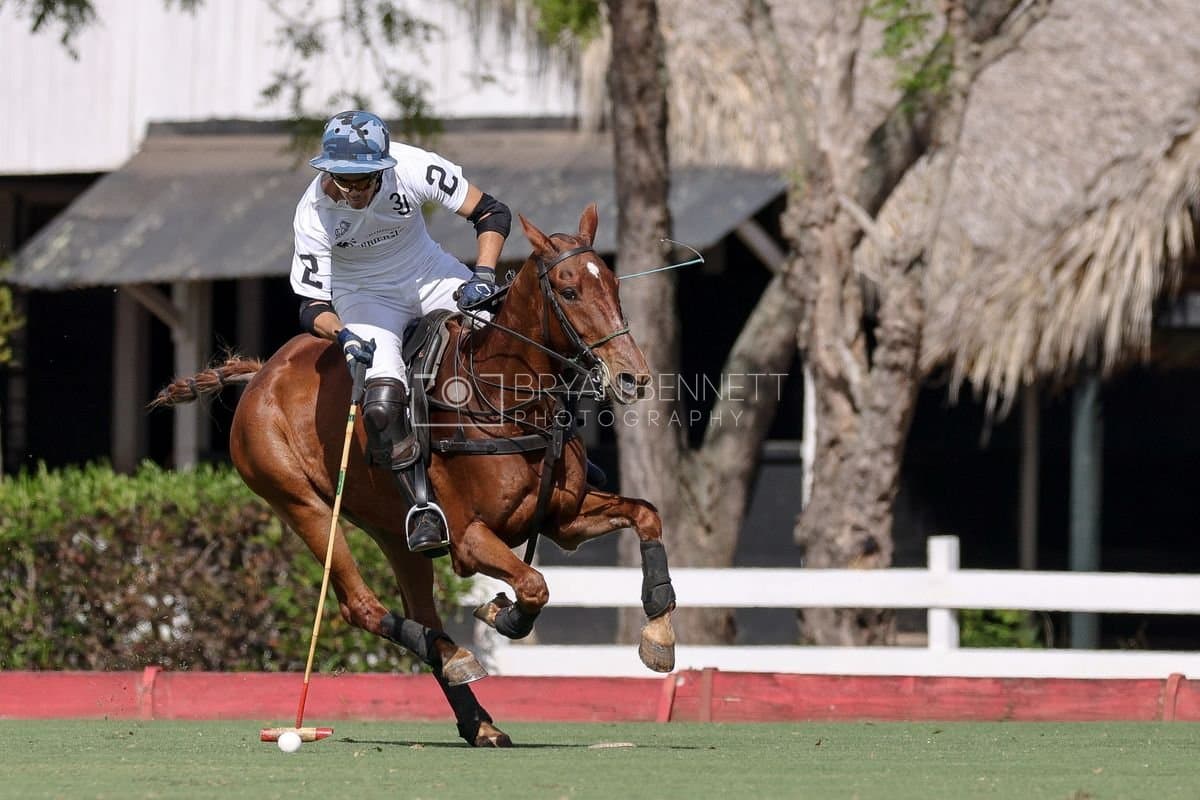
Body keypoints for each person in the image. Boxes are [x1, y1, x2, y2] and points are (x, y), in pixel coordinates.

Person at [290, 110, 510, 553]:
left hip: (429, 273)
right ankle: (422, 508)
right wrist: (342, 334)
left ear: (384, 168)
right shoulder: (312, 213)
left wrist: (484, 276)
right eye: (342, 180)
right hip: (365, 298)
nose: (353, 191)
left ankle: (564, 449)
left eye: (363, 180)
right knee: (382, 404)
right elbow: (312, 306)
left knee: (510, 334)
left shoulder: (413, 167)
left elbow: (491, 212)